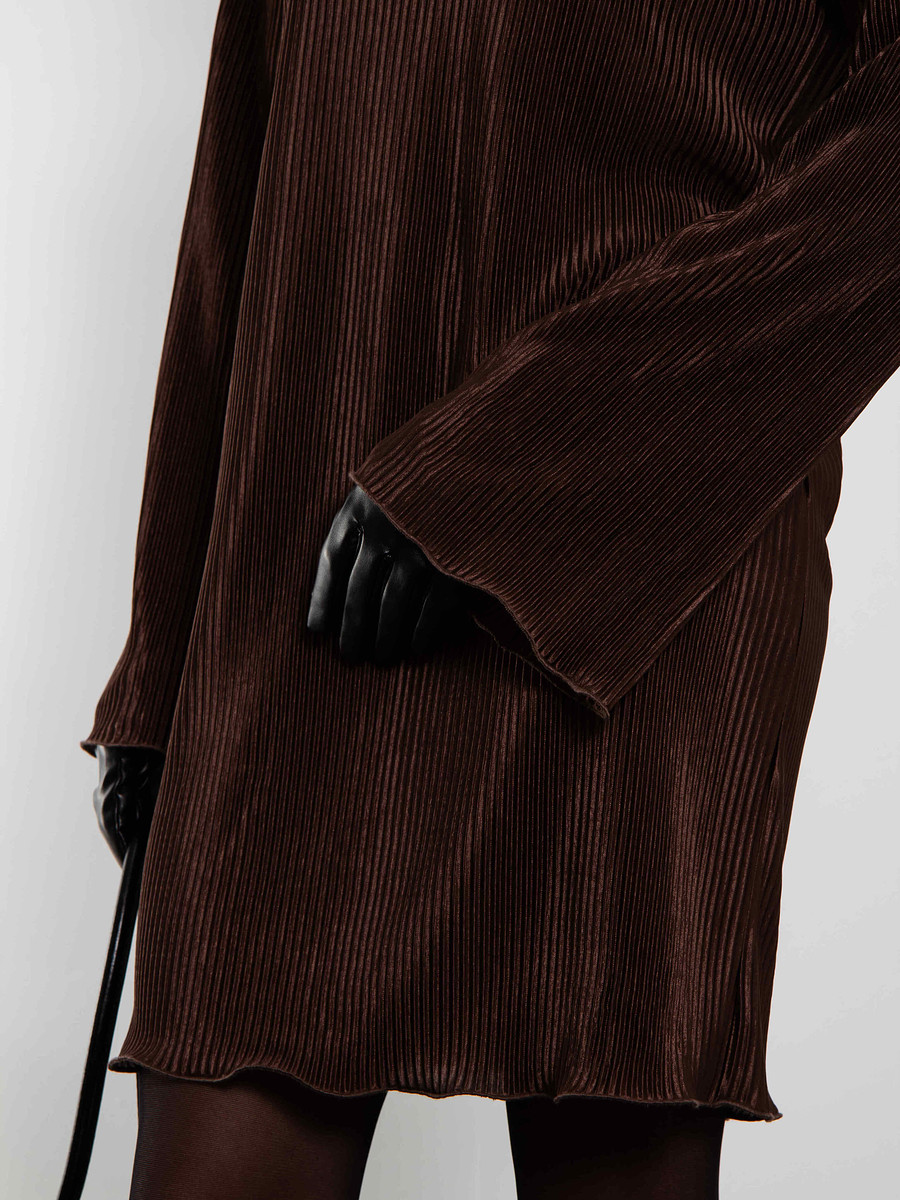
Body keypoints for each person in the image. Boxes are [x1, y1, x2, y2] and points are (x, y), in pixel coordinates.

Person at [82, 1, 900, 1195]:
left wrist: (511, 470)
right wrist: (160, 667)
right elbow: (240, 169)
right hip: (306, 557)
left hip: (640, 566)